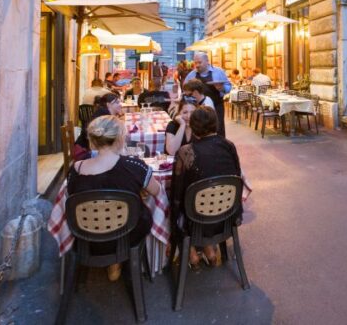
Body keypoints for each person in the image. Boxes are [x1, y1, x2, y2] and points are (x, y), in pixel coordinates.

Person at [67, 114, 162, 281]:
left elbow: (72, 194)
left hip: (85, 235)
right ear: (120, 139)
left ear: (93, 140)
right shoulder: (134, 166)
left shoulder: (76, 169)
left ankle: (111, 264)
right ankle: (119, 262)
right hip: (128, 234)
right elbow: (157, 191)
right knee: (143, 210)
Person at [171, 107, 242, 267]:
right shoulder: (228, 145)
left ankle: (191, 251)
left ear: (193, 126)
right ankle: (209, 248)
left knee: (184, 200)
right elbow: (236, 175)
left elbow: (177, 192)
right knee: (205, 194)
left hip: (196, 218)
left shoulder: (186, 151)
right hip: (226, 213)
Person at [184, 52, 231, 137]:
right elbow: (185, 89)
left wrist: (222, 88)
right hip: (198, 108)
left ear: (207, 61)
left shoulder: (218, 72)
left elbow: (228, 87)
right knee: (200, 129)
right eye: (195, 63)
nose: (197, 65)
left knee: (218, 129)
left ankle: (219, 148)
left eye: (199, 62)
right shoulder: (192, 75)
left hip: (217, 106)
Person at [73, 93, 123, 160]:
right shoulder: (103, 117)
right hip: (84, 152)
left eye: (120, 102)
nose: (120, 105)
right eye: (117, 102)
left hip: (89, 148)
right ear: (108, 104)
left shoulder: (104, 113)